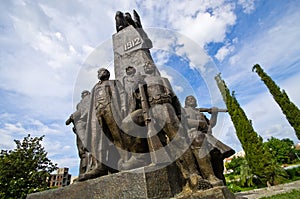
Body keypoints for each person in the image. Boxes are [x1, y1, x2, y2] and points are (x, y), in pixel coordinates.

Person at [139, 62, 212, 191]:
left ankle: (194, 174)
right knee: (164, 144)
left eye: (150, 65)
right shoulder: (143, 82)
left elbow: (174, 97)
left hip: (168, 108)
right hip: (154, 110)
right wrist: (147, 116)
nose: (148, 66)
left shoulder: (164, 80)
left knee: (179, 139)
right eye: (146, 66)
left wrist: (179, 114)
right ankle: (186, 174)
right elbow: (144, 100)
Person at [79, 68, 128, 181]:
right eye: (98, 72)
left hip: (110, 108)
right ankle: (99, 166)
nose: (100, 73)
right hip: (97, 112)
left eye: (102, 71)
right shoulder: (95, 87)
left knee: (117, 134)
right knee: (97, 139)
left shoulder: (114, 82)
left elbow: (122, 94)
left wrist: (124, 106)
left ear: (107, 74)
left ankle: (126, 159)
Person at [183, 95, 235, 185]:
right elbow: (183, 121)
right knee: (199, 138)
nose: (191, 100)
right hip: (193, 135)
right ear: (186, 103)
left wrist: (214, 114)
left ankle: (221, 182)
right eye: (189, 99)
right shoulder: (184, 111)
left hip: (207, 136)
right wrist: (198, 123)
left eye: (193, 99)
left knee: (217, 157)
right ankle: (209, 177)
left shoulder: (200, 114)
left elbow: (210, 125)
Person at [66, 90, 92, 176]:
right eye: (83, 94)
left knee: (85, 147)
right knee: (82, 150)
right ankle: (84, 170)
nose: (84, 96)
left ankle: (88, 169)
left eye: (85, 94)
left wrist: (72, 117)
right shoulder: (81, 103)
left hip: (85, 125)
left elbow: (82, 111)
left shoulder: (89, 100)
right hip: (81, 126)